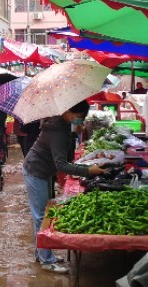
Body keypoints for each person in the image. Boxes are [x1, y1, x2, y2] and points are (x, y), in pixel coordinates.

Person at [22, 101, 106, 274]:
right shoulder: (58, 129)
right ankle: (46, 260)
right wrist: (88, 170)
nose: (79, 121)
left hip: (42, 170)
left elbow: (61, 151)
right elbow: (61, 164)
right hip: (36, 170)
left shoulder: (61, 124)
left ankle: (42, 253)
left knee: (43, 214)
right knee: (41, 217)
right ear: (68, 111)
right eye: (79, 117)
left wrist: (75, 133)